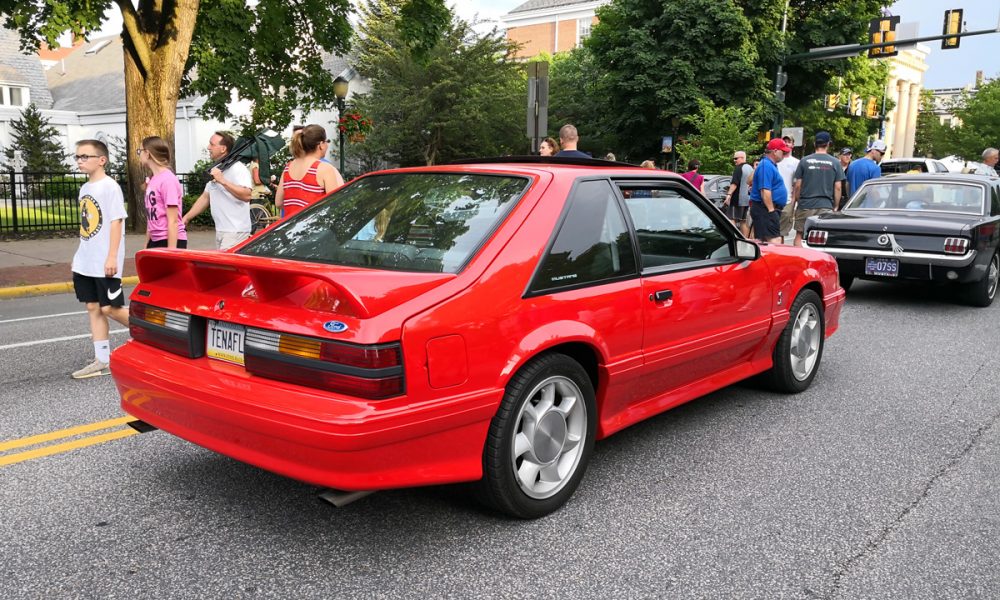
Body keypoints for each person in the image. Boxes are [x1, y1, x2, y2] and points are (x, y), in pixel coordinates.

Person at [70, 139, 129, 379]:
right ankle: (101, 359)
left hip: (105, 260)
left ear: (101, 160)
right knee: (93, 307)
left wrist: (112, 256)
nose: (80, 161)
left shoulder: (110, 187)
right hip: (86, 259)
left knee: (110, 308)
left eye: (85, 157)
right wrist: (78, 256)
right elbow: (87, 226)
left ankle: (154, 333)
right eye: (78, 157)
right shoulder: (85, 189)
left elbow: (116, 222)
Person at [182, 131, 253, 250]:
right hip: (221, 230)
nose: (208, 147)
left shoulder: (238, 168)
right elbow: (205, 197)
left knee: (226, 267)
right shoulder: (216, 169)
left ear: (223, 149)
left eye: (212, 144)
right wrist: (187, 217)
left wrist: (222, 181)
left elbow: (247, 195)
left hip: (235, 231)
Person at [275, 124, 344, 219]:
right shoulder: (324, 169)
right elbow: (334, 205)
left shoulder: (288, 167)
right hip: (314, 230)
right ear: (321, 145)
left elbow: (278, 203)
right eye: (326, 141)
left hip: (289, 229)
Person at [791, 132, 845, 247]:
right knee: (824, 236)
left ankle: (800, 261)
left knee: (800, 234)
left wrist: (798, 201)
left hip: (806, 204)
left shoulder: (804, 161)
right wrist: (835, 206)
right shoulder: (835, 162)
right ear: (828, 144)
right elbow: (838, 187)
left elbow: (798, 185)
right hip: (825, 205)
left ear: (815, 143)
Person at [139, 136, 187, 250]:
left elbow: (173, 220)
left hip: (171, 240)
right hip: (155, 239)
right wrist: (147, 242)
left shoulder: (167, 180)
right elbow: (151, 216)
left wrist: (171, 251)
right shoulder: (153, 179)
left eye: (139, 151)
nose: (138, 155)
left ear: (147, 153)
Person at [749, 138, 791, 244]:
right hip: (765, 209)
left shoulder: (769, 165)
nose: (784, 154)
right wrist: (771, 210)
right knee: (774, 241)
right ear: (775, 151)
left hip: (766, 209)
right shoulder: (766, 166)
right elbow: (765, 190)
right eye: (783, 151)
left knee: (766, 241)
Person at [723, 151, 753, 235]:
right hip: (748, 199)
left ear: (742, 158)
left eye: (736, 158)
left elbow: (734, 183)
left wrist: (728, 195)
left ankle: (734, 237)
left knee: (731, 218)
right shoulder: (750, 168)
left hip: (737, 199)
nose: (734, 160)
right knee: (744, 221)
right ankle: (745, 240)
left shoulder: (739, 168)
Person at [777, 135, 800, 241]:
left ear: (793, 145)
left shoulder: (796, 162)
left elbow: (797, 185)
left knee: (781, 232)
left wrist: (793, 202)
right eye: (784, 141)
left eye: (788, 141)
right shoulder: (775, 159)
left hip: (787, 201)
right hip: (770, 199)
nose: (786, 143)